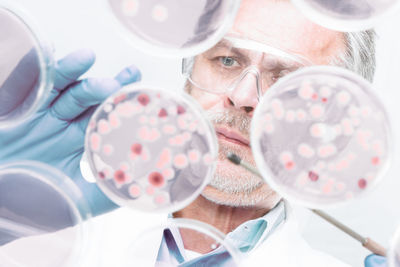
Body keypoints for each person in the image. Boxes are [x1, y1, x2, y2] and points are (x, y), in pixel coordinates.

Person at [0, 0, 386, 266]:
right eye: (227, 60)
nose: (242, 96)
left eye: (287, 84)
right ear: (189, 75)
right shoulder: (39, 232)